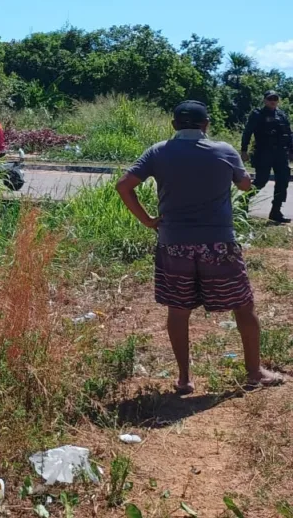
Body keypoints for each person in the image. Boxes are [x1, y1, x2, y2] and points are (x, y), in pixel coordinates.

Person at [116, 100, 284, 394]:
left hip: (174, 245)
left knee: (179, 311)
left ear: (174, 125)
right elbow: (245, 185)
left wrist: (148, 221)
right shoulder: (224, 151)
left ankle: (183, 379)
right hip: (218, 244)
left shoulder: (158, 152)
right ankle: (255, 373)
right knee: (243, 307)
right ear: (206, 125)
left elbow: (124, 185)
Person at [241, 90, 292, 224]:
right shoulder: (258, 114)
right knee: (261, 181)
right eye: (270, 98)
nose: (273, 101)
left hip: (281, 153)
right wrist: (244, 150)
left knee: (282, 182)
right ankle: (242, 204)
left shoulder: (281, 115)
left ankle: (276, 211)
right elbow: (247, 132)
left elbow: (289, 134)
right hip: (264, 153)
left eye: (275, 98)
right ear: (264, 100)